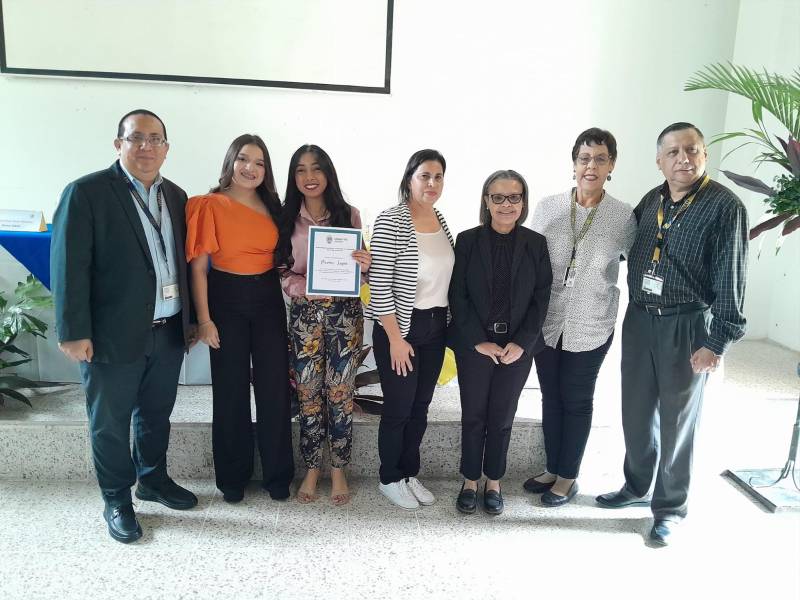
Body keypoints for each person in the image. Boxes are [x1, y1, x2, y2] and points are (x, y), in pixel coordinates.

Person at [596, 122, 748, 547]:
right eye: (674, 152)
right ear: (659, 160)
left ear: (704, 156)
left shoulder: (724, 207)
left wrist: (715, 342)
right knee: (636, 409)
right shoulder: (653, 198)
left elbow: (732, 279)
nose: (684, 158)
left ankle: (669, 508)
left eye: (692, 150)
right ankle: (635, 486)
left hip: (686, 323)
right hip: (641, 318)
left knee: (679, 419)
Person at [51, 109, 198, 544]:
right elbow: (69, 267)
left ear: (167, 148)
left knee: (156, 415)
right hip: (111, 334)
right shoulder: (86, 192)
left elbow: (183, 264)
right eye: (136, 138)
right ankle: (117, 498)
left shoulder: (177, 195)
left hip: (166, 330)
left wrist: (188, 321)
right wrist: (73, 331)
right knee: (109, 422)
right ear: (119, 145)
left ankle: (153, 479)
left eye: (156, 139)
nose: (146, 147)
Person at [525, 128, 637, 506]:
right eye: (584, 158)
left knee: (576, 399)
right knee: (550, 398)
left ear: (611, 166)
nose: (591, 165)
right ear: (574, 164)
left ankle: (568, 477)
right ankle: (552, 467)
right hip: (548, 320)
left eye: (600, 158)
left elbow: (636, 266)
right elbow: (529, 259)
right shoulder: (548, 206)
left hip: (592, 324)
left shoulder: (624, 216)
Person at [186, 134, 293, 503]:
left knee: (274, 389)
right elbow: (199, 269)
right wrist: (204, 319)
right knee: (230, 392)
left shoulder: (274, 205)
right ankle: (232, 477)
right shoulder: (208, 204)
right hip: (225, 300)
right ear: (231, 161)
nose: (251, 168)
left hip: (267, 300)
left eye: (260, 163)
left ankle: (278, 476)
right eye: (244, 159)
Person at [449, 170, 551, 515]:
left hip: (517, 347)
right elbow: (457, 297)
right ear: (486, 201)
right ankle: (469, 480)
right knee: (474, 414)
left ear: (523, 201)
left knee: (503, 415)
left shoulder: (536, 244)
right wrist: (478, 341)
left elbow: (542, 298)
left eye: (515, 197)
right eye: (498, 197)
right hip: (475, 345)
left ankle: (493, 480)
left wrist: (523, 343)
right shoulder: (467, 241)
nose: (506, 205)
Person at [278, 145, 371, 506]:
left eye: (316, 169)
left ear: (328, 172)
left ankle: (339, 469)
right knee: (308, 393)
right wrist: (303, 288)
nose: (309, 177)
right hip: (305, 317)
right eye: (301, 170)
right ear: (294, 178)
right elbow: (283, 271)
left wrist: (364, 264)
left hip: (345, 317)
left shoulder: (349, 214)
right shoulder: (286, 217)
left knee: (340, 393)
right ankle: (312, 467)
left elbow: (361, 271)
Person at [366, 149, 454, 509]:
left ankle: (408, 473)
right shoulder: (392, 220)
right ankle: (389, 477)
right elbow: (380, 283)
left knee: (421, 406)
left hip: (436, 326)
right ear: (409, 180)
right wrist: (395, 340)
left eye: (438, 177)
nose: (431, 183)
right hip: (400, 327)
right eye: (424, 176)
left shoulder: (440, 218)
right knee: (399, 408)